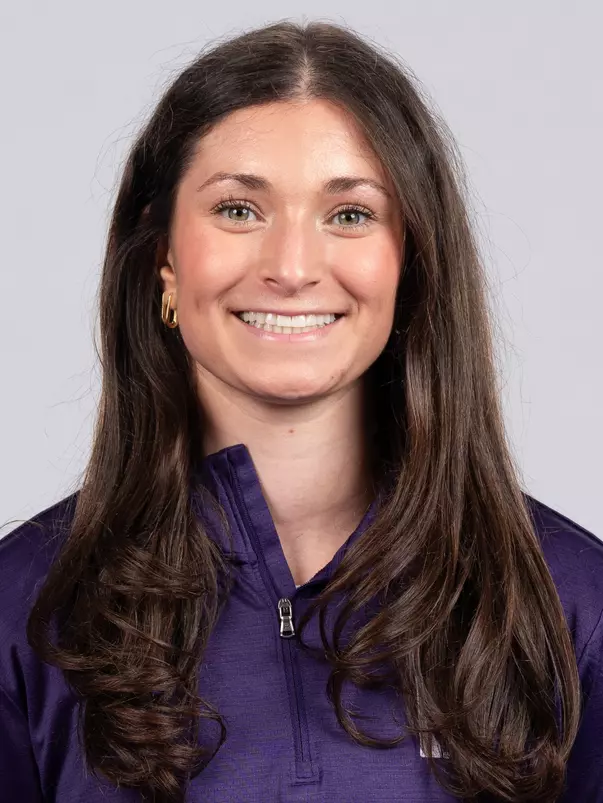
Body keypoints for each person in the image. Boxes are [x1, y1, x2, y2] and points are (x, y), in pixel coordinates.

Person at [0, 18, 601, 803]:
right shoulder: (27, 609)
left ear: (410, 263)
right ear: (164, 261)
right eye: (238, 210)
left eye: (349, 214)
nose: (290, 267)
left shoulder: (568, 603)